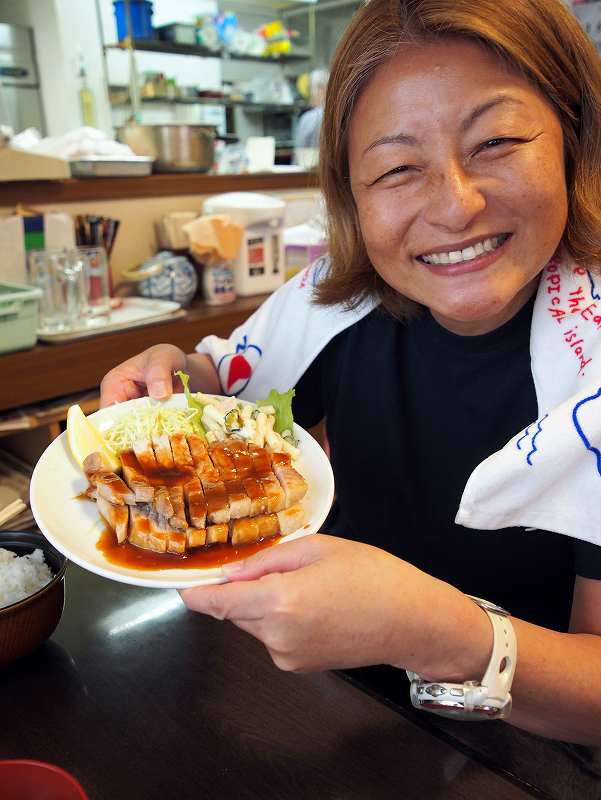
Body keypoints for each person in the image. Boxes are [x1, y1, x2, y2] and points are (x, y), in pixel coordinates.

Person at [100, 0, 601, 746]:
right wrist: (174, 374)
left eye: (495, 141)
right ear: (351, 195)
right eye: (397, 169)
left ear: (571, 140)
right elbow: (228, 383)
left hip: (527, 752)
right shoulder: (335, 295)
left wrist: (434, 633)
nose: (455, 205)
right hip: (332, 710)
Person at [294, 68, 329, 163]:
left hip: (310, 175)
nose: (309, 94)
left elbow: (298, 157)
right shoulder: (341, 115)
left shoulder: (309, 118)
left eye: (310, 88)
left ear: (321, 88)